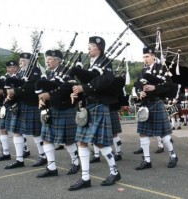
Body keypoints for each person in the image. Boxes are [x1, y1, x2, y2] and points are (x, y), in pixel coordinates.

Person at [68, 36, 121, 191]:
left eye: (91, 46)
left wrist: (85, 88)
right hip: (88, 105)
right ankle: (85, 177)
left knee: (100, 143)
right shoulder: (89, 64)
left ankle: (114, 171)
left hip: (99, 105)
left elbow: (106, 80)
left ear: (99, 47)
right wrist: (77, 94)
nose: (88, 48)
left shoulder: (105, 62)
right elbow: (85, 85)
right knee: (82, 142)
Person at [36, 49, 80, 178]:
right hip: (51, 109)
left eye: (49, 59)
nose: (47, 61)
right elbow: (43, 89)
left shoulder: (67, 72)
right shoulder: (49, 74)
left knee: (68, 140)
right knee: (47, 138)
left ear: (57, 60)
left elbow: (68, 88)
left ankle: (76, 162)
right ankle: (51, 167)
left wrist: (49, 95)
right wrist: (40, 99)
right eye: (47, 59)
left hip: (65, 108)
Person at [133, 46, 178, 170]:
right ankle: (147, 160)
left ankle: (173, 155)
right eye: (143, 57)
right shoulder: (142, 71)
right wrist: (139, 93)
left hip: (157, 103)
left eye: (147, 56)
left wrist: (155, 88)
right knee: (143, 133)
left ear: (153, 56)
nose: (145, 59)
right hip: (145, 104)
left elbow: (169, 85)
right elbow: (137, 85)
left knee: (163, 134)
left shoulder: (161, 69)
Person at [4, 52, 47, 169]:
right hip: (20, 104)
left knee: (36, 131)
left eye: (24, 60)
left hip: (31, 104)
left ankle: (43, 156)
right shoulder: (20, 72)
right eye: (21, 60)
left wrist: (15, 91)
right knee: (16, 131)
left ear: (29, 61)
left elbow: (32, 86)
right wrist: (10, 94)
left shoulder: (35, 70)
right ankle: (19, 159)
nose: (21, 62)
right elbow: (14, 84)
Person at [0, 61, 19, 161]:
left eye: (11, 67)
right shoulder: (4, 78)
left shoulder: (19, 78)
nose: (9, 69)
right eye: (8, 67)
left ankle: (24, 150)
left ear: (16, 68)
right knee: (2, 129)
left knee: (17, 130)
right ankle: (5, 153)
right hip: (4, 107)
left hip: (14, 106)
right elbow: (2, 92)